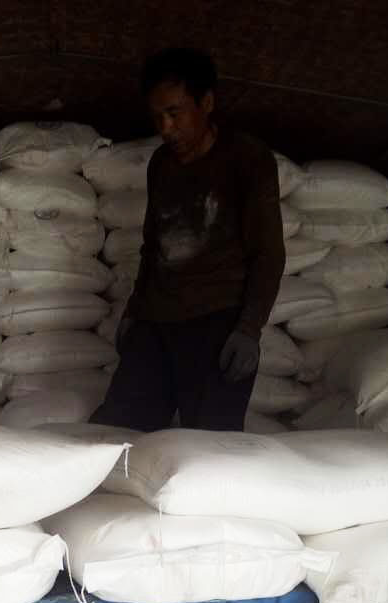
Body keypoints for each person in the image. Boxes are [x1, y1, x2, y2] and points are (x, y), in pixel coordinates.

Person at [89, 47, 285, 432]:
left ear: (206, 103)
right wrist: (134, 310)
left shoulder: (247, 159)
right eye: (157, 117)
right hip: (156, 321)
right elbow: (152, 246)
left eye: (174, 113)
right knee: (115, 431)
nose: (165, 129)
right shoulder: (160, 164)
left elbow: (267, 252)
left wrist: (248, 329)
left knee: (211, 445)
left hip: (216, 322)